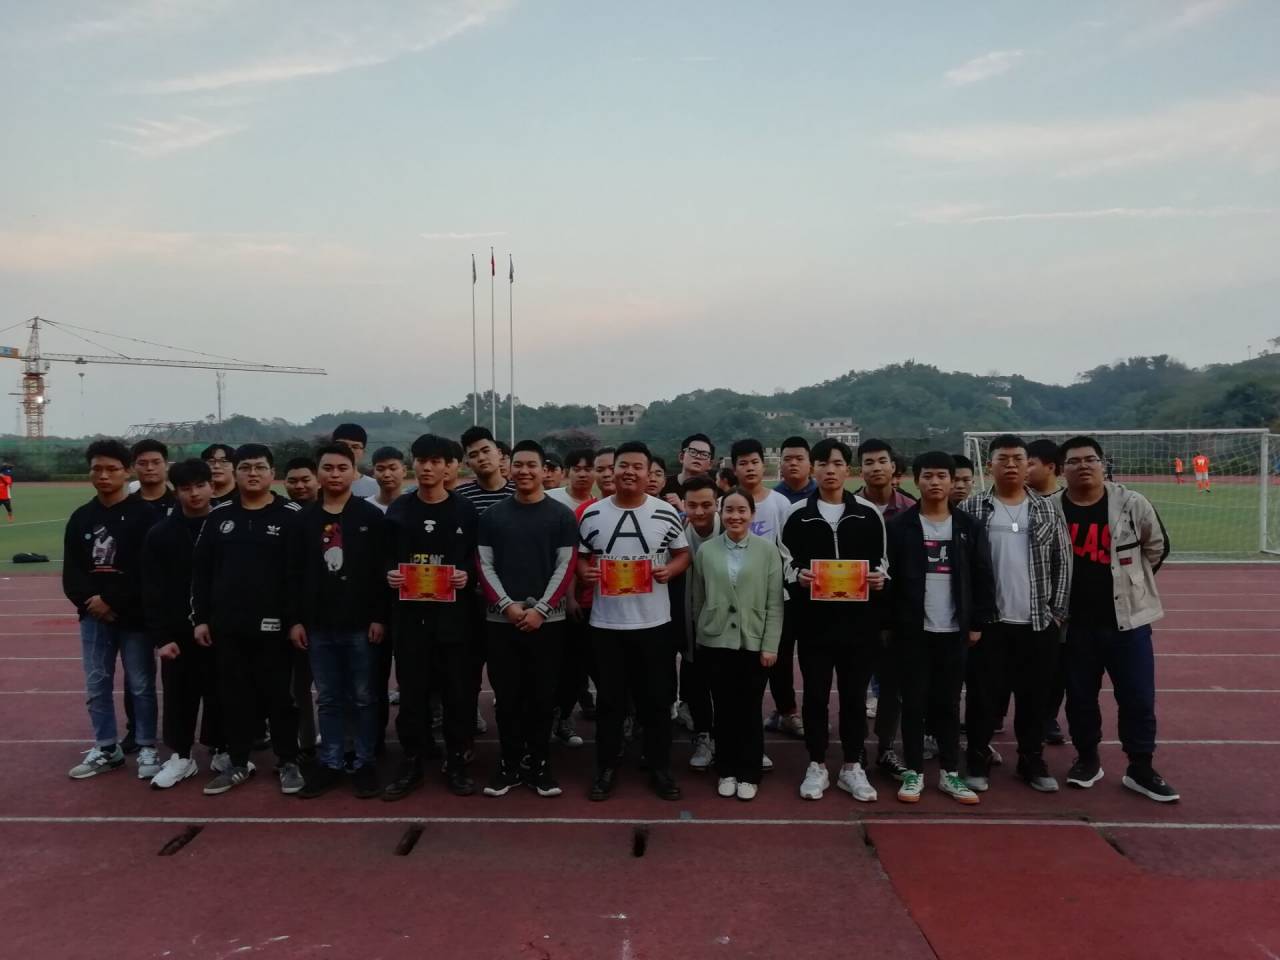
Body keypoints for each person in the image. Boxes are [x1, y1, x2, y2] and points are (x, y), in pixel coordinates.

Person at [1054, 437, 1178, 802]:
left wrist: (1132, 582)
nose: (1083, 466)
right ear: (1062, 470)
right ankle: (1087, 759)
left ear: (1103, 464)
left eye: (1090, 459)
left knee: (1138, 697)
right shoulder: (1051, 508)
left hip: (1128, 623)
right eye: (1074, 461)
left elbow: (1156, 547)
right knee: (1080, 699)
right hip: (1075, 625)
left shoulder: (1131, 503)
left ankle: (1141, 766)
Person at [959, 434, 1072, 794]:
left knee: (1034, 698)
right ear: (989, 465)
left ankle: (1031, 759)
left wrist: (1056, 614)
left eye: (1018, 459)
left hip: (1037, 623)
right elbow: (962, 568)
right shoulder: (972, 508)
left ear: (1028, 465)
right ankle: (977, 758)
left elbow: (1063, 562)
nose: (1010, 465)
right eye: (1003, 459)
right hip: (989, 624)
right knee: (982, 697)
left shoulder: (1047, 509)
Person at [578, 441, 690, 801]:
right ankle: (606, 766)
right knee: (610, 703)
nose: (629, 472)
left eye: (637, 466)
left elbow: (683, 554)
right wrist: (585, 573)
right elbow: (581, 558)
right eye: (623, 465)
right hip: (606, 625)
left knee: (656, 701)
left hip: (654, 624)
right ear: (613, 470)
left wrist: (670, 570)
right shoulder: (593, 513)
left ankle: (659, 767)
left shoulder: (665, 513)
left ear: (648, 472)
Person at [192, 443, 305, 796]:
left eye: (259, 467)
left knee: (280, 698)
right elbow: (202, 572)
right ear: (234, 472)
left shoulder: (292, 515)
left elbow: (301, 575)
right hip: (228, 627)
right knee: (234, 697)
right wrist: (201, 618)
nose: (252, 473)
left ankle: (288, 761)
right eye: (245, 467)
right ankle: (238, 762)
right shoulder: (218, 517)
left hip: (277, 629)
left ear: (273, 473)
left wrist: (296, 620)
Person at [782, 438, 888, 802]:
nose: (830, 470)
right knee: (814, 696)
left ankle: (852, 766)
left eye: (838, 463)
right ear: (813, 468)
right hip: (814, 625)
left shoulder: (868, 513)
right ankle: (816, 763)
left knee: (854, 697)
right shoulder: (797, 514)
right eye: (823, 464)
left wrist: (880, 578)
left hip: (859, 626)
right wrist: (797, 575)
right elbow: (784, 561)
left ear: (848, 469)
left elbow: (883, 562)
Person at [885, 452, 993, 805]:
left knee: (947, 703)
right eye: (928, 476)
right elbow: (890, 580)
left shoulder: (968, 526)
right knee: (913, 703)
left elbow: (982, 576)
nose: (935, 482)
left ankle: (949, 772)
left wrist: (976, 622)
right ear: (916, 480)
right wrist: (890, 625)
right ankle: (914, 771)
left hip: (954, 631)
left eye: (942, 476)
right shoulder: (899, 526)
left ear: (952, 481)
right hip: (913, 631)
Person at [477, 440, 578, 798]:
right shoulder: (492, 517)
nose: (524, 471)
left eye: (531, 465)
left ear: (544, 469)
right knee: (507, 697)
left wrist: (541, 610)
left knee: (542, 696)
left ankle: (539, 764)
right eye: (518, 465)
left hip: (547, 623)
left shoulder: (561, 516)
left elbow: (566, 566)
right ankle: (509, 763)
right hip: (500, 622)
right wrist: (507, 605)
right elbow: (484, 565)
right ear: (508, 468)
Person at [288, 444, 388, 800]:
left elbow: (381, 571)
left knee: (363, 697)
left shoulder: (370, 516)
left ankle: (363, 762)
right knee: (328, 698)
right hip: (318, 625)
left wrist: (379, 617)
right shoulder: (303, 520)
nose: (334, 474)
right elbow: (292, 574)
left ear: (353, 471)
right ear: (318, 472)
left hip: (361, 624)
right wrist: (295, 621)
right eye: (327, 468)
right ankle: (330, 762)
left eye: (341, 468)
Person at [381, 434, 478, 800]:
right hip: (411, 620)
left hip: (454, 620)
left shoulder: (465, 511)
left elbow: (478, 558)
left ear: (450, 466)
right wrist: (390, 573)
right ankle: (412, 761)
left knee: (457, 694)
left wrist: (467, 575)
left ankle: (457, 760)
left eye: (436, 461)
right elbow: (385, 557)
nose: (427, 467)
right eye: (421, 460)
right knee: (412, 695)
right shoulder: (399, 510)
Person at [63, 439, 162, 781]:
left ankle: (147, 745)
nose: (103, 475)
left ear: (127, 472)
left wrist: (113, 600)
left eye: (111, 469)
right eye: (97, 469)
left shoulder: (145, 515)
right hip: (93, 618)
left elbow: (147, 568)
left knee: (141, 685)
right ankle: (106, 747)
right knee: (97, 684)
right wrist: (90, 602)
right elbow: (73, 571)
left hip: (134, 618)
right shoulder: (81, 517)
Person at [690, 488, 784, 801]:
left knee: (750, 710)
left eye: (742, 510)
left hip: (753, 642)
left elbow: (774, 602)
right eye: (729, 510)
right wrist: (701, 634)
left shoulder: (767, 551)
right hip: (715, 642)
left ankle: (749, 772)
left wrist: (770, 645)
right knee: (724, 709)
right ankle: (726, 769)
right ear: (721, 513)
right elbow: (698, 597)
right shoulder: (707, 550)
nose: (735, 516)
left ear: (752, 514)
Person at [142, 459, 224, 789]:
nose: (194, 494)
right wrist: (161, 637)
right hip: (177, 631)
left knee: (222, 691)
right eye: (186, 488)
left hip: (221, 629)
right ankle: (181, 755)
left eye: (200, 486)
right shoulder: (161, 534)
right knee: (179, 695)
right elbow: (152, 589)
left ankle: (222, 748)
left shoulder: (227, 527)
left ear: (213, 487)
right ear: (175, 492)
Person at [856, 438, 913, 778]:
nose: (876, 467)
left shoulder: (911, 509)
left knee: (892, 686)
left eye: (882, 461)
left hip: (898, 613)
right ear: (860, 469)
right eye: (869, 462)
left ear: (893, 467)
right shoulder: (847, 508)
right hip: (855, 611)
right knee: (854, 684)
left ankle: (887, 748)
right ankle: (856, 748)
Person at [457, 426, 516, 739]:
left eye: (486, 450)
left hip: (511, 600)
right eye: (473, 455)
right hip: (472, 598)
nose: (481, 458)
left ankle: (512, 727)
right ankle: (468, 719)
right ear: (467, 462)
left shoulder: (519, 492)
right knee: (467, 666)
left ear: (500, 454)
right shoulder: (461, 498)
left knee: (506, 669)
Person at [548, 448, 598, 743]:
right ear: (566, 472)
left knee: (587, 665)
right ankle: (558, 717)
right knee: (566, 666)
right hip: (558, 599)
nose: (583, 473)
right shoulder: (553, 501)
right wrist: (568, 596)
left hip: (597, 601)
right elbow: (567, 557)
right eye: (577, 468)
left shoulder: (600, 505)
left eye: (588, 468)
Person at [677, 476, 720, 769]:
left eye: (706, 504)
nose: (700, 511)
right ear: (683, 505)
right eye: (692, 505)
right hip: (690, 622)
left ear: (717, 504)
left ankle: (740, 739)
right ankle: (704, 735)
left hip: (726, 623)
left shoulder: (732, 530)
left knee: (730, 685)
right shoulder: (677, 532)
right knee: (696, 682)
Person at [1027, 439, 1068, 745]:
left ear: (1051, 467)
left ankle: (1047, 717)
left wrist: (1059, 608)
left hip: (1057, 601)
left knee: (1056, 664)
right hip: (1023, 597)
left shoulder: (1065, 503)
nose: (1023, 469)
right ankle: (998, 714)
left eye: (1030, 463)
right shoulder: (1018, 500)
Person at [660, 434, 716, 506]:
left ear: (710, 464)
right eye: (693, 452)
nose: (698, 456)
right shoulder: (663, 485)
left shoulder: (715, 490)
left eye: (704, 454)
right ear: (681, 457)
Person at [331, 423, 379, 498]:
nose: (349, 451)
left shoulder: (377, 488)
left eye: (355, 447)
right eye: (343, 445)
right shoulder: (321, 486)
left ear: (363, 452)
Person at [130, 439, 176, 516]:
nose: (150, 468)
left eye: (156, 462)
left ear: (166, 465)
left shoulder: (181, 503)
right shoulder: (125, 506)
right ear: (133, 467)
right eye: (142, 463)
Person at [774, 436, 816, 504]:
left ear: (810, 463)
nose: (793, 463)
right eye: (787, 459)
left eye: (799, 459)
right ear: (780, 464)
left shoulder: (822, 494)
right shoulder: (773, 497)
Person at [367, 446, 407, 513]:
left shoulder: (415, 505)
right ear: (373, 472)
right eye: (380, 469)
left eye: (393, 468)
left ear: (404, 471)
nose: (387, 475)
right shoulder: (364, 507)